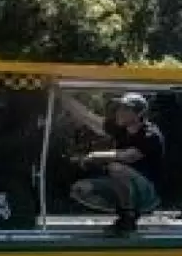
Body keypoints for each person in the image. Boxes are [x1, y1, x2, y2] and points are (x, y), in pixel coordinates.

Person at [59, 91, 165, 235]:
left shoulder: (150, 134)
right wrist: (60, 94)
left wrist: (94, 156)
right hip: (123, 187)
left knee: (116, 168)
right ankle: (121, 213)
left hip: (147, 193)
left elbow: (129, 156)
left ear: (139, 114)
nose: (119, 112)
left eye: (125, 109)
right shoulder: (120, 128)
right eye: (119, 108)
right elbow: (87, 117)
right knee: (80, 189)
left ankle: (128, 217)